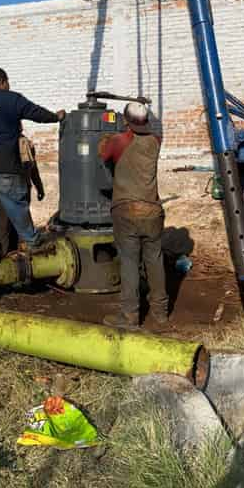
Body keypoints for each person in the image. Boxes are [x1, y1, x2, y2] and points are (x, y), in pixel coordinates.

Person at [0, 67, 65, 264]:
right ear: (3, 81)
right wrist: (56, 116)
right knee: (16, 205)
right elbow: (35, 112)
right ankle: (33, 241)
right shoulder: (10, 98)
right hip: (3, 165)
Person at [98, 102, 168, 329]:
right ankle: (160, 312)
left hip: (126, 211)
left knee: (129, 262)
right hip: (153, 211)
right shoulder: (156, 141)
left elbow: (103, 154)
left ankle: (129, 317)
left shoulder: (118, 141)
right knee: (154, 260)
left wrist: (107, 136)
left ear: (125, 120)